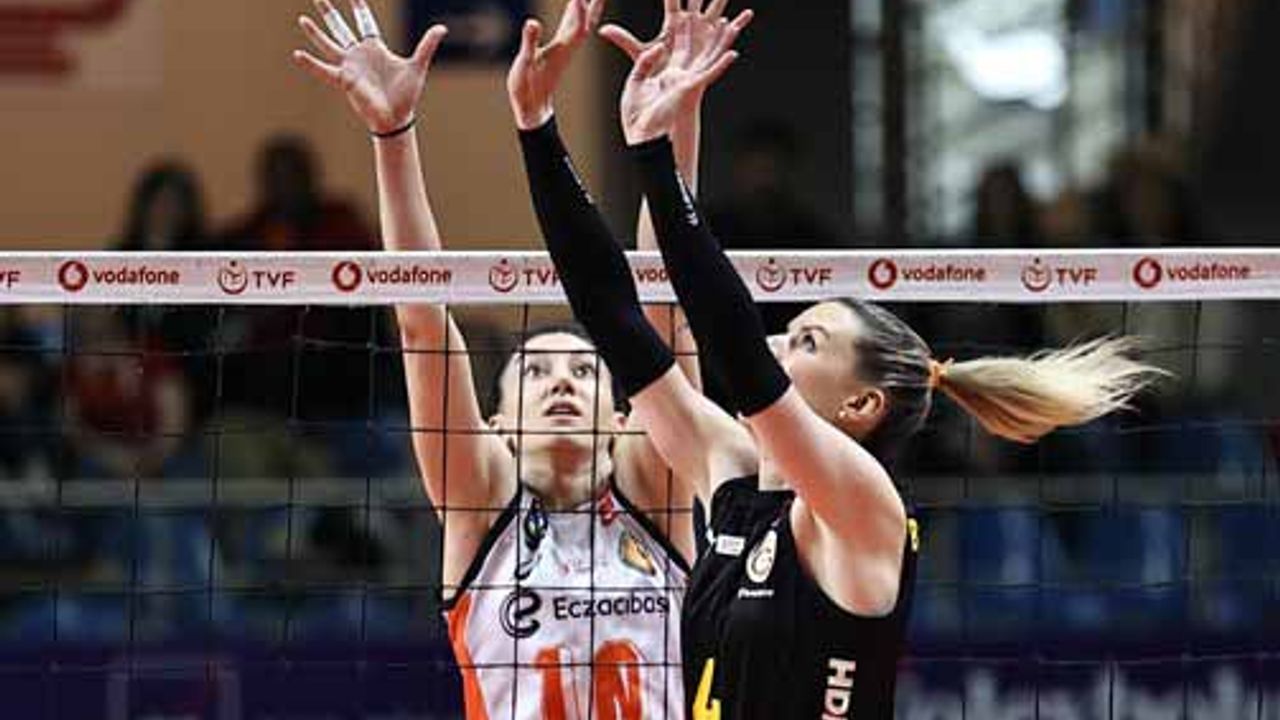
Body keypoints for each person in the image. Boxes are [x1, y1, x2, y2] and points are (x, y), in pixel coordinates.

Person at [529, 13, 1165, 718]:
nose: (777, 344)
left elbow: (735, 343)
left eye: (806, 342)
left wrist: (654, 154)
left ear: (860, 406)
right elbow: (613, 316)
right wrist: (537, 126)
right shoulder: (731, 473)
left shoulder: (863, 508)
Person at [291, 0, 726, 716]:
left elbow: (665, 299)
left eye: (584, 371)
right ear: (499, 424)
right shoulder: (482, 498)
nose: (561, 382)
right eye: (536, 371)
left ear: (624, 417)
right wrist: (392, 135)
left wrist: (675, 119)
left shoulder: (658, 488)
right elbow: (422, 323)